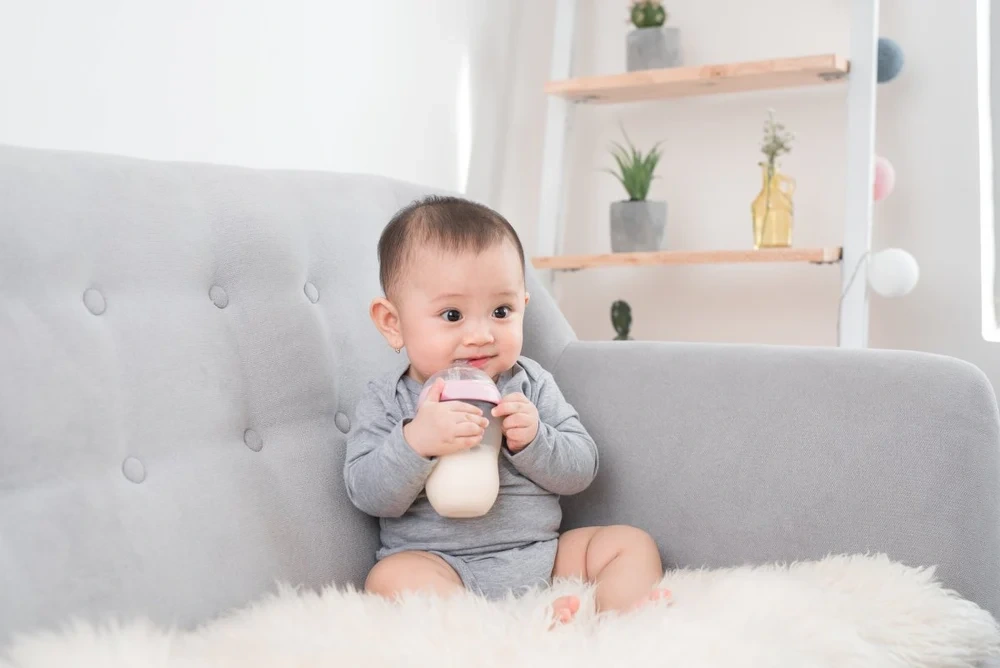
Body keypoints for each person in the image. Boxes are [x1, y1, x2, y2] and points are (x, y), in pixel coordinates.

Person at [344, 195, 669, 622]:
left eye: (501, 311)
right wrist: (416, 442)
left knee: (630, 543)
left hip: (543, 557)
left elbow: (581, 468)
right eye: (452, 314)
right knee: (389, 578)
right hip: (442, 565)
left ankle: (617, 624)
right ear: (393, 322)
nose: (480, 335)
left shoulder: (528, 384)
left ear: (523, 307)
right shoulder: (390, 399)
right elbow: (367, 493)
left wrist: (535, 439)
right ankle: (501, 631)